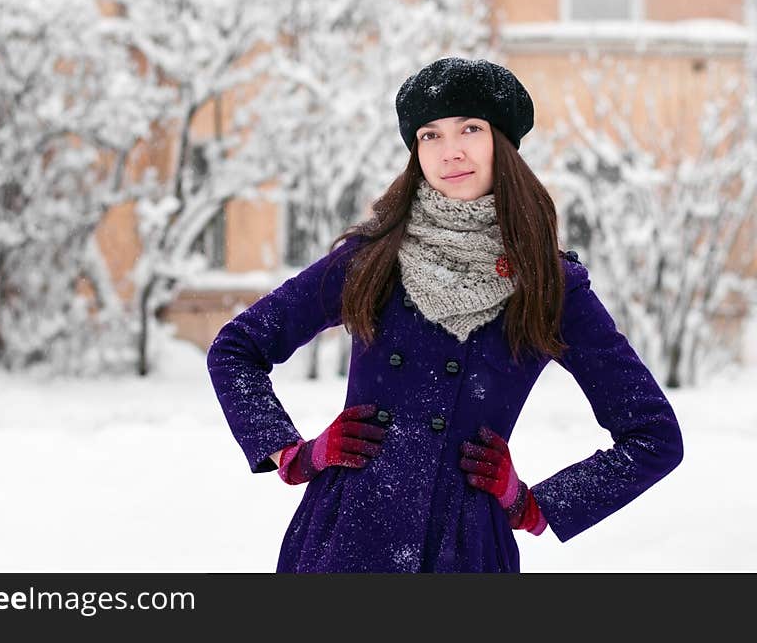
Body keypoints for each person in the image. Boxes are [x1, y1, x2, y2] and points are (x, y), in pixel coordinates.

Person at [206, 57, 684, 572]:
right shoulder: (373, 259)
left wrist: (536, 504)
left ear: (502, 144)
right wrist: (293, 453)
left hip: (466, 547)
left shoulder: (549, 286)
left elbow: (654, 436)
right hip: (346, 538)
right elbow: (236, 349)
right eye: (429, 135)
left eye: (470, 129)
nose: (449, 150)